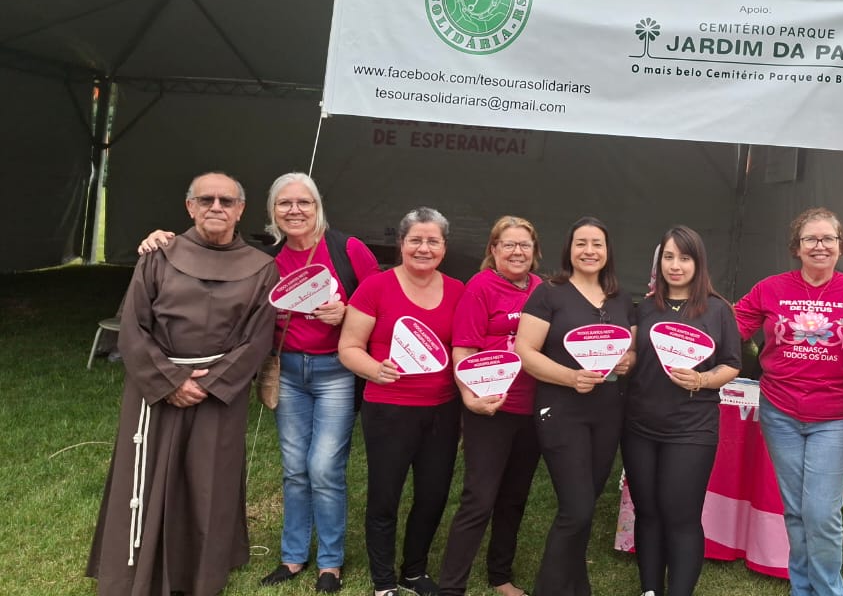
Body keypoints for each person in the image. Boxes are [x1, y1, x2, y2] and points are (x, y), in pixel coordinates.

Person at [135, 173, 381, 593]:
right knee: (294, 467)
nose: (295, 210)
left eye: (304, 202)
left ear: (318, 206)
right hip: (286, 372)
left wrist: (347, 314)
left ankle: (331, 561)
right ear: (271, 212)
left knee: (324, 467)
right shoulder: (265, 260)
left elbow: (379, 300)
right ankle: (292, 555)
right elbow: (213, 262)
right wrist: (159, 238)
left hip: (335, 371)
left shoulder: (348, 249)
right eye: (284, 203)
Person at [87, 172, 277, 596]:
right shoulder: (158, 255)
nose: (216, 207)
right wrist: (169, 380)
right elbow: (133, 326)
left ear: (241, 210)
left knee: (209, 480)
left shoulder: (262, 268)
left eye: (226, 201)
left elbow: (257, 338)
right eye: (206, 199)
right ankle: (136, 568)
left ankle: (200, 574)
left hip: (219, 391)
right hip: (155, 386)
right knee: (146, 475)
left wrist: (210, 384)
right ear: (190, 207)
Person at [734, 207, 843, 596]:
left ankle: (829, 590)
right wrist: (680, 315)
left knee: (821, 512)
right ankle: (803, 589)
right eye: (810, 239)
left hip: (834, 417)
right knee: (796, 510)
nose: (820, 246)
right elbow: (729, 325)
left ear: (841, 246)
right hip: (780, 413)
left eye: (827, 238)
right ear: (796, 247)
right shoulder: (770, 288)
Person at [339, 207, 465, 596]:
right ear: (402, 243)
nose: (424, 248)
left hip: (442, 410)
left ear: (444, 247)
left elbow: (465, 348)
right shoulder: (375, 287)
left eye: (432, 241)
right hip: (388, 409)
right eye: (416, 240)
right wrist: (374, 369)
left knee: (433, 496)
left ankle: (414, 570)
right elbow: (349, 347)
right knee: (385, 496)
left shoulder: (458, 290)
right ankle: (383, 581)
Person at [513, 216, 637, 596]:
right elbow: (525, 351)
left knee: (586, 504)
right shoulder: (549, 293)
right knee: (577, 508)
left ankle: (577, 587)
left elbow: (630, 350)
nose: (589, 251)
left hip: (607, 413)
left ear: (607, 251)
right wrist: (569, 377)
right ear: (569, 249)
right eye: (581, 243)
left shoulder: (621, 298)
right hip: (561, 410)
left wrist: (628, 361)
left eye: (597, 244)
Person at [623, 225, 741, 596]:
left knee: (681, 515)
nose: (675, 266)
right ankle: (650, 589)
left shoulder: (718, 310)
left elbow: (732, 364)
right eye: (669, 257)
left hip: (692, 429)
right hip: (639, 426)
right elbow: (632, 356)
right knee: (647, 511)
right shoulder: (644, 307)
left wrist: (702, 380)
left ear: (698, 262)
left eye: (684, 258)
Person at [438, 216, 545, 596]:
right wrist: (470, 397)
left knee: (514, 498)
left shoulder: (543, 289)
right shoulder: (480, 287)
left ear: (535, 251)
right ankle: (451, 586)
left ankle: (500, 576)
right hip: (490, 408)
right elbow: (464, 349)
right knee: (479, 498)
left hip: (532, 410)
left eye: (524, 245)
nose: (517, 252)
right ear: (493, 250)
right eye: (508, 245)